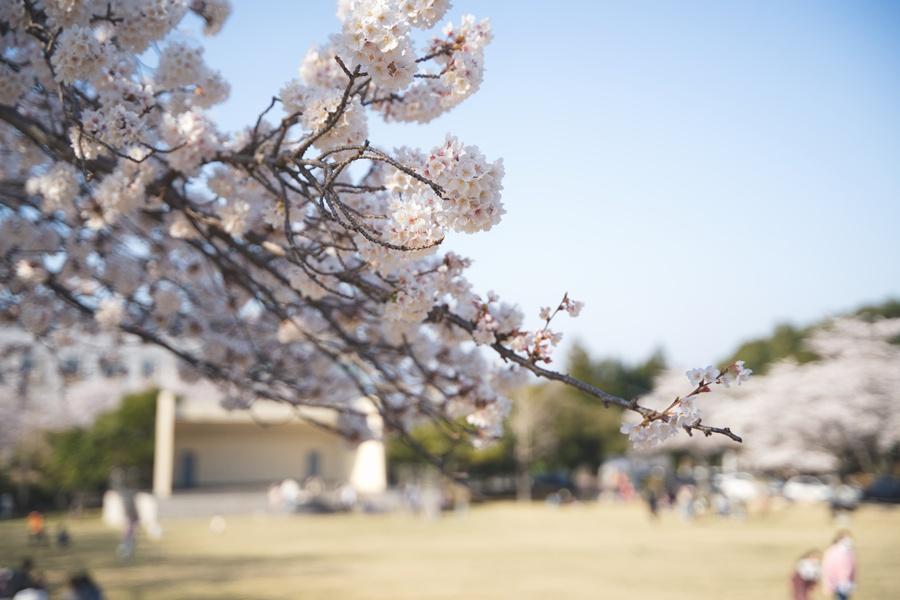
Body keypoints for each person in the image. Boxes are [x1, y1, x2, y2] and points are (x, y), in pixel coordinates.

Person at [822, 530, 857, 600]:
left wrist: (852, 581)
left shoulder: (850, 552)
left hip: (847, 583)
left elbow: (853, 567)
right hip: (837, 583)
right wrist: (829, 584)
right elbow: (828, 568)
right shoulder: (832, 551)